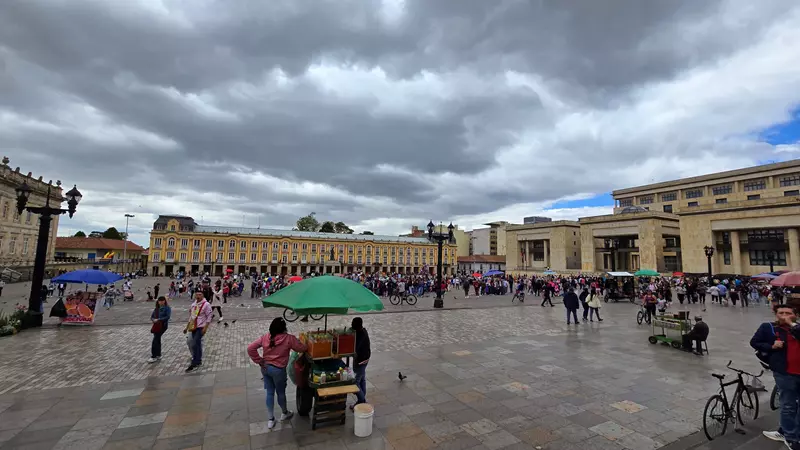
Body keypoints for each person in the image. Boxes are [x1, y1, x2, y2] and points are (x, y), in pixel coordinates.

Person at [751, 304, 800, 448]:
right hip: (785, 373)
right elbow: (755, 342)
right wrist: (771, 346)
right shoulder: (768, 327)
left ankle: (790, 431)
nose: (784, 315)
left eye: (788, 313)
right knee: (788, 405)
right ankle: (790, 436)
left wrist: (791, 324)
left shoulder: (797, 327)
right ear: (776, 315)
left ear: (794, 315)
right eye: (781, 313)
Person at [247, 318, 307, 430]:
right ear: (284, 328)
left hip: (265, 369)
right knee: (280, 393)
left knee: (269, 392)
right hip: (279, 370)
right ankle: (284, 413)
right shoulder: (289, 339)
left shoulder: (266, 337)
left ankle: (270, 419)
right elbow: (302, 348)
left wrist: (259, 360)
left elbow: (250, 348)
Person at [183, 290, 213, 372]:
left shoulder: (206, 304)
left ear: (203, 295)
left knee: (196, 342)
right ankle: (198, 360)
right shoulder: (194, 304)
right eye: (197, 294)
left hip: (201, 327)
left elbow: (209, 316)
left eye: (200, 294)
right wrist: (187, 327)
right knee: (194, 343)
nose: (198, 296)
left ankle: (195, 363)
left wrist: (205, 328)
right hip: (193, 326)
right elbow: (192, 317)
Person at [351, 317, 371, 409]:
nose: (351, 325)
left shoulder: (360, 335)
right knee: (362, 379)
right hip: (366, 358)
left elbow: (355, 348)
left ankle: (362, 400)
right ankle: (361, 399)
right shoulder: (363, 331)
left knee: (356, 382)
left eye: (353, 324)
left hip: (361, 360)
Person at [148, 296, 171, 363]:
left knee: (155, 340)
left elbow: (168, 316)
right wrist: (153, 320)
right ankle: (158, 355)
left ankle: (154, 356)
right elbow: (152, 316)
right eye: (159, 301)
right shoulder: (157, 308)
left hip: (162, 326)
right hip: (156, 325)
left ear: (164, 301)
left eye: (162, 301)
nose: (161, 302)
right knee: (157, 339)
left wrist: (159, 319)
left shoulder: (167, 308)